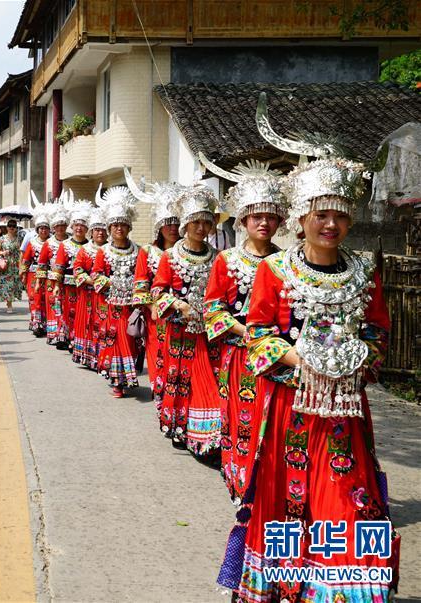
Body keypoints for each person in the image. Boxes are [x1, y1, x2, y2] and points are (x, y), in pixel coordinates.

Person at [219, 101, 396, 602]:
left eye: (341, 214)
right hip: (290, 409)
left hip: (345, 413)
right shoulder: (276, 273)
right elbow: (256, 334)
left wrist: (357, 358)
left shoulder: (364, 271)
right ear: (301, 218)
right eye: (322, 214)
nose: (332, 224)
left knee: (349, 500)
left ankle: (345, 588)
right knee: (287, 502)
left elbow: (379, 332)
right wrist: (305, 360)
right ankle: (281, 584)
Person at [201, 157, 286, 503]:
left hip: (275, 360)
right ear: (244, 220)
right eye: (256, 216)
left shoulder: (286, 263)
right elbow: (212, 309)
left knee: (272, 422)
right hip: (239, 356)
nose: (263, 222)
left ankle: (267, 483)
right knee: (242, 418)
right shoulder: (226, 260)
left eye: (270, 216)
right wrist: (244, 330)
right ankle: (240, 479)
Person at [151, 184, 222, 454]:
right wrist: (177, 304)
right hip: (180, 331)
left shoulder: (217, 258)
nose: (201, 228)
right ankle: (178, 424)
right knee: (179, 379)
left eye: (206, 222)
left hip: (208, 331)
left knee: (206, 380)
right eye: (196, 222)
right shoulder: (170, 257)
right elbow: (157, 290)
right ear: (185, 224)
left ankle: (204, 433)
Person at [126, 169, 183, 395]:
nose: (172, 228)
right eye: (167, 223)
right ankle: (163, 402)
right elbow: (140, 286)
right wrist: (154, 307)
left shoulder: (189, 253)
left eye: (176, 222)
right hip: (156, 318)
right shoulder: (148, 252)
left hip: (186, 319)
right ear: (159, 225)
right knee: (160, 360)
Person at [91, 187, 140, 397]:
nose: (119, 228)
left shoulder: (138, 250)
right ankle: (117, 381)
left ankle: (128, 376)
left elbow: (142, 277)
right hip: (110, 306)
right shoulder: (103, 252)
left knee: (132, 340)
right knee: (113, 342)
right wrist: (114, 283)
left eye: (123, 225)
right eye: (115, 225)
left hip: (131, 307)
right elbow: (95, 274)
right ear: (110, 228)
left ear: (129, 227)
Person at [48, 196, 90, 352]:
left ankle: (78, 339)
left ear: (87, 229)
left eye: (82, 226)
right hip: (67, 285)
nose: (79, 228)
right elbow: (58, 267)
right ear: (72, 227)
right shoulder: (65, 245)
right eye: (76, 225)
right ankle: (67, 338)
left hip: (85, 286)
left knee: (82, 314)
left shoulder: (92, 246)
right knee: (68, 312)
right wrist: (56, 285)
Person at [71, 204, 108, 369]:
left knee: (105, 326)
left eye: (103, 229)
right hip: (88, 295)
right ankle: (88, 356)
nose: (100, 232)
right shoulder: (84, 250)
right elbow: (78, 271)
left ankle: (103, 356)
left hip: (108, 295)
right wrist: (94, 281)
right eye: (97, 229)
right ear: (91, 232)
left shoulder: (112, 250)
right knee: (87, 324)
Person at [36, 194, 71, 347]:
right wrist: (39, 282)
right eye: (57, 226)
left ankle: (66, 334)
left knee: (67, 308)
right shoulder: (48, 244)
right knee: (54, 306)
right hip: (51, 281)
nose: (60, 228)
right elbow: (42, 264)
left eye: (63, 225)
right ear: (53, 228)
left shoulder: (72, 242)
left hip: (69, 281)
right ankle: (55, 334)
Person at [21, 193, 52, 337]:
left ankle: (48, 324)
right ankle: (37, 323)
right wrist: (22, 274)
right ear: (37, 230)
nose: (43, 231)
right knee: (35, 299)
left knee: (48, 299)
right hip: (33, 275)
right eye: (41, 228)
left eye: (46, 228)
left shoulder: (53, 244)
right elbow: (26, 261)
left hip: (50, 275)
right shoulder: (32, 243)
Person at [0, 218, 24, 313]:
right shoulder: (2, 239)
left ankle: (10, 301)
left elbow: (21, 252)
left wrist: (22, 265)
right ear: (7, 227)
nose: (11, 228)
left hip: (15, 264)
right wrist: (3, 252)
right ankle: (9, 304)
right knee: (7, 285)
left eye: (13, 226)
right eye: (10, 226)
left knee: (15, 284)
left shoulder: (19, 239)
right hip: (6, 264)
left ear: (16, 228)